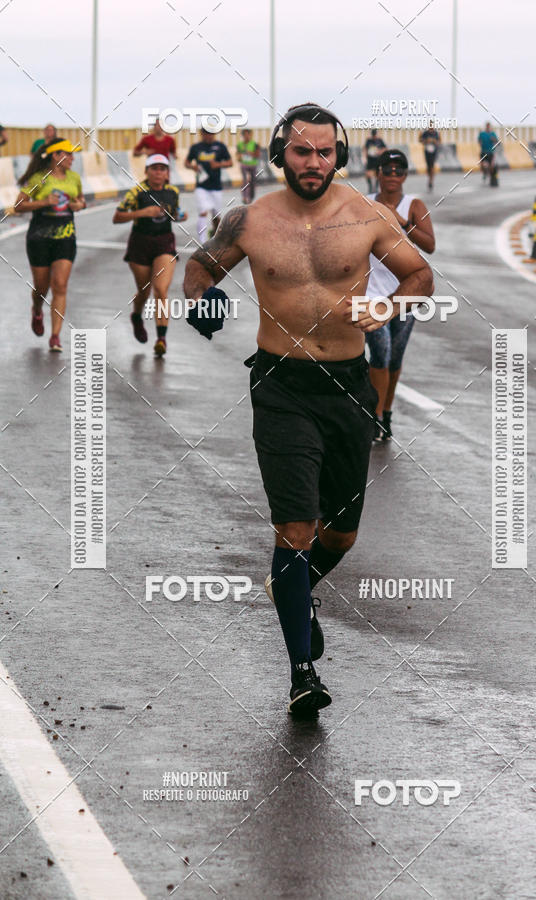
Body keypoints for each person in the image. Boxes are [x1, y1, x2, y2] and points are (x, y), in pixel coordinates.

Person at [183, 103, 433, 716]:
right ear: (281, 155)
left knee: (339, 536)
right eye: (301, 151)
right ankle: (302, 671)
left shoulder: (367, 216)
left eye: (324, 152)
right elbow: (198, 268)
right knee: (295, 530)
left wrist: (388, 307)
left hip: (348, 384)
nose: (314, 163)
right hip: (281, 385)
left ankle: (291, 590)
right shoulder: (249, 219)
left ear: (339, 156)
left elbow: (420, 275)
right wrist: (199, 299)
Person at [364, 151, 435, 442]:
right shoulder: (365, 203)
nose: (393, 176)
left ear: (405, 175)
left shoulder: (414, 205)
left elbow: (430, 245)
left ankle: (387, 414)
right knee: (380, 354)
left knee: (394, 360)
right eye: (387, 170)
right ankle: (375, 417)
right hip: (371, 294)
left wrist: (403, 223)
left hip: (405, 294)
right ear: (378, 173)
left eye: (399, 171)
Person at [112, 154, 187, 357]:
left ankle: (161, 338)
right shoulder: (137, 192)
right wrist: (142, 213)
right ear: (147, 171)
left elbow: (177, 212)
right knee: (143, 291)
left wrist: (181, 216)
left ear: (167, 173)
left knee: (161, 290)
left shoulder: (172, 192)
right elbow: (117, 217)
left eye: (162, 169)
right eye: (154, 168)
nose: (158, 172)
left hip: (164, 243)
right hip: (140, 243)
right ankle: (136, 315)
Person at [15, 139, 85, 351]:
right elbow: (19, 206)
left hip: (65, 236)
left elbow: (81, 200)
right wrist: (45, 202)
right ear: (56, 155)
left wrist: (78, 204)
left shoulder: (74, 178)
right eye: (69, 154)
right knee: (42, 287)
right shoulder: (40, 178)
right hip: (40, 237)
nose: (73, 158)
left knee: (60, 285)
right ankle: (37, 309)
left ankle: (55, 336)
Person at [185, 127, 232, 241]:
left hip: (216, 186)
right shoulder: (196, 148)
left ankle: (216, 237)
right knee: (203, 211)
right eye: (206, 133)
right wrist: (193, 166)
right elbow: (187, 162)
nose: (209, 135)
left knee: (216, 216)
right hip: (201, 186)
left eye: (211, 133)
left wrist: (218, 164)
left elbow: (230, 162)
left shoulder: (220, 146)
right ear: (201, 133)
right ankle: (202, 241)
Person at [236, 128, 260, 204]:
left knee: (252, 182)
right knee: (245, 180)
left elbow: (257, 155)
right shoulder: (240, 145)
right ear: (242, 136)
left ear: (250, 135)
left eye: (248, 135)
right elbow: (238, 155)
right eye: (245, 135)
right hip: (244, 165)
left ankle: (251, 196)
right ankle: (245, 197)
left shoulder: (255, 144)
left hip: (253, 165)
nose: (246, 136)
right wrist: (239, 157)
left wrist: (250, 153)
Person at [419, 120, 440, 190]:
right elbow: (421, 140)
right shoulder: (425, 133)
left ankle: (431, 181)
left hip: (434, 152)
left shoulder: (436, 133)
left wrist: (434, 141)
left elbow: (439, 142)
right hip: (427, 151)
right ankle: (429, 177)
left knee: (432, 166)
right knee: (428, 167)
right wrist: (426, 141)